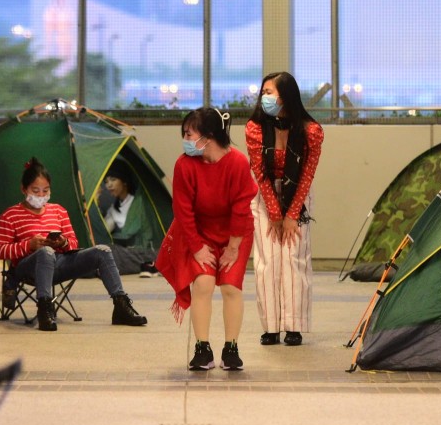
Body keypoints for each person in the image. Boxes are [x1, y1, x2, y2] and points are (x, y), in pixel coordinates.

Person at [0, 156, 148, 332]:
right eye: (35, 191)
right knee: (45, 252)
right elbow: (0, 251)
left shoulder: (58, 211)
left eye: (46, 191)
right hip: (28, 267)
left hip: (60, 262)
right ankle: (45, 309)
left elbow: (73, 243)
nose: (41, 196)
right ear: (23, 189)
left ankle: (121, 306)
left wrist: (63, 242)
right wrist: (28, 245)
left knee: (103, 251)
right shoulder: (10, 215)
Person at [155, 107, 257, 371]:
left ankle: (231, 347)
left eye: (190, 133)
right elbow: (183, 210)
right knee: (202, 284)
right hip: (198, 233)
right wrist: (197, 247)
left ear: (209, 136)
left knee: (231, 288)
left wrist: (233, 248)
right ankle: (202, 348)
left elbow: (241, 208)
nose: (186, 139)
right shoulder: (184, 164)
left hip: (235, 233)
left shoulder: (238, 162)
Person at [245, 72, 324, 346]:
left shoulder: (311, 131)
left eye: (270, 92)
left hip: (298, 197)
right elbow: (260, 173)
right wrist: (275, 215)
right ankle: (270, 327)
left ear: (286, 96)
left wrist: (291, 215)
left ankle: (294, 326)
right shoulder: (254, 128)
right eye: (263, 92)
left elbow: (307, 175)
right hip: (265, 196)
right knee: (267, 262)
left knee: (294, 259)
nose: (265, 97)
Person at [100, 160, 160, 277]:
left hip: (146, 250)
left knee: (113, 254)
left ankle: (152, 263)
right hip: (128, 252)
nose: (109, 185)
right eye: (106, 182)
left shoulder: (140, 202)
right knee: (106, 250)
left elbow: (145, 233)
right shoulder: (114, 209)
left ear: (124, 181)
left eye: (113, 180)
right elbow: (103, 232)